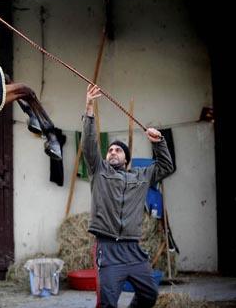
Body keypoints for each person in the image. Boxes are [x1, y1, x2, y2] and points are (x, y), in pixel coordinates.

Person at [82, 85, 175, 308]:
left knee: (149, 295)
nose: (112, 152)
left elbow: (166, 166)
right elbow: (88, 145)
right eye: (110, 150)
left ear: (126, 159)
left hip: (134, 249)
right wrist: (89, 108)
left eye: (118, 150)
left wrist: (159, 141)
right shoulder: (99, 171)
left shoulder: (141, 176)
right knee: (107, 303)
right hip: (109, 249)